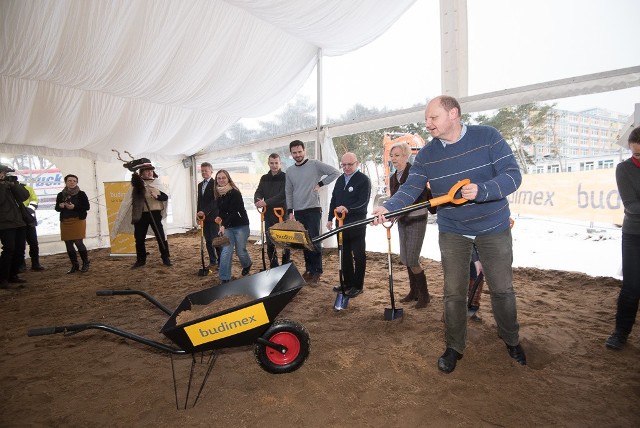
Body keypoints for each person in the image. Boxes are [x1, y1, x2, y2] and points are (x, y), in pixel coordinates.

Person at [373, 95, 526, 374]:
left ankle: (511, 339)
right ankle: (455, 346)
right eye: (426, 119)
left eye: (433, 118)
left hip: (493, 226)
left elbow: (512, 174)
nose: (428, 123)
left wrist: (484, 190)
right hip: (453, 229)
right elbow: (410, 189)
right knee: (453, 292)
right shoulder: (428, 154)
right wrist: (389, 206)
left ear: (453, 114)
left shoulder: (487, 136)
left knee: (502, 289)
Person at [388, 141, 436, 309]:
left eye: (397, 155)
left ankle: (425, 295)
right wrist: (393, 214)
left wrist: (399, 212)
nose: (393, 158)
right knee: (406, 257)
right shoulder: (393, 176)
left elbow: (417, 197)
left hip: (416, 218)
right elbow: (395, 198)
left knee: (413, 258)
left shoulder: (414, 173)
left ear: (406, 156)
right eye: (392, 155)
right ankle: (413, 292)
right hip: (402, 220)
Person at [285, 140, 340, 284]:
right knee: (304, 242)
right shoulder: (290, 171)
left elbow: (335, 172)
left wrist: (321, 184)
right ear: (291, 154)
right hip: (299, 211)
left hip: (313, 209)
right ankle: (309, 269)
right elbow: (288, 191)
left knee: (314, 241)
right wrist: (290, 210)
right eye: (294, 153)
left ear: (304, 151)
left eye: (299, 152)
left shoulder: (315, 165)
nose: (297, 155)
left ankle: (317, 271)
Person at [606, 127, 640, 350]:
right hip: (635, 234)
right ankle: (621, 333)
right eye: (636, 153)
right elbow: (632, 206)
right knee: (632, 287)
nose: (638, 157)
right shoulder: (624, 169)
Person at [112, 159, 172, 268]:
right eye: (147, 171)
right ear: (141, 172)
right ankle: (141, 260)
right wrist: (139, 184)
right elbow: (130, 200)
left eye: (151, 171)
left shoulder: (157, 183)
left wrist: (157, 196)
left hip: (155, 214)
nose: (149, 173)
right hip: (141, 215)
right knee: (139, 239)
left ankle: (165, 257)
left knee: (160, 237)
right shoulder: (137, 185)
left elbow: (166, 197)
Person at [326, 152, 371, 297]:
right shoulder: (340, 180)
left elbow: (363, 202)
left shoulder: (363, 180)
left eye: (349, 164)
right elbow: (334, 199)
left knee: (358, 254)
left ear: (356, 163)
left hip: (357, 223)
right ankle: (348, 282)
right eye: (343, 165)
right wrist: (329, 218)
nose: (346, 167)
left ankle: (358, 285)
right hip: (341, 223)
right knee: (343, 253)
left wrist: (348, 209)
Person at [214, 169, 252, 283]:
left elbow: (234, 211)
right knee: (226, 251)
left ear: (228, 179)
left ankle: (247, 264)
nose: (221, 180)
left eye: (223, 178)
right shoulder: (218, 193)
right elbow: (221, 211)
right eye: (219, 178)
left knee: (241, 251)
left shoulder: (235, 192)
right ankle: (224, 278)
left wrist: (223, 225)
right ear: (216, 180)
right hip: (228, 227)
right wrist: (219, 218)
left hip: (241, 226)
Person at [254, 153, 290, 269]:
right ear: (268, 163)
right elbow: (258, 191)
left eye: (276, 163)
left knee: (285, 242)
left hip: (282, 214)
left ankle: (285, 265)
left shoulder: (285, 177)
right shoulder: (264, 178)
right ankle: (274, 266)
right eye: (272, 163)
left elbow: (282, 195)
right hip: (268, 215)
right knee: (270, 242)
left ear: (280, 163)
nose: (274, 166)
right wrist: (258, 200)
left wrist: (266, 202)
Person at [0, 164, 30, 288]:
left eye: (4, 173)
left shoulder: (9, 185)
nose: (4, 175)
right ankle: (3, 278)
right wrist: (1, 185)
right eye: (2, 173)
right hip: (5, 223)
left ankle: (13, 275)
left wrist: (14, 185)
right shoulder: (2, 187)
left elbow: (24, 196)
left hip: (19, 221)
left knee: (19, 249)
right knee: (9, 249)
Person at [55, 174, 91, 273]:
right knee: (68, 243)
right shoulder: (60, 194)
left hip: (78, 220)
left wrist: (74, 207)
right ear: (66, 182)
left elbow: (87, 207)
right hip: (65, 221)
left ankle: (85, 263)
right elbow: (57, 208)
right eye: (69, 181)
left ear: (77, 182)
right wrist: (61, 206)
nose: (72, 182)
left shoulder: (81, 194)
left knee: (78, 242)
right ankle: (74, 265)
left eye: (74, 181)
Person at [196, 162, 220, 270]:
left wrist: (204, 212)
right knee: (208, 240)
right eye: (202, 171)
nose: (204, 172)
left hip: (213, 216)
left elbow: (215, 201)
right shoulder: (200, 185)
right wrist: (198, 214)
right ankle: (212, 260)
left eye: (206, 170)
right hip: (203, 217)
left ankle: (221, 261)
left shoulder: (216, 184)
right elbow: (199, 201)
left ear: (211, 171)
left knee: (216, 240)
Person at [18, 183, 45, 272]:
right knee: (20, 244)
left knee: (33, 243)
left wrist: (26, 212)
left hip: (29, 220)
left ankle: (35, 263)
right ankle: (21, 264)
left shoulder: (28, 188)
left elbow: (34, 201)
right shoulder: (7, 189)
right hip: (17, 221)